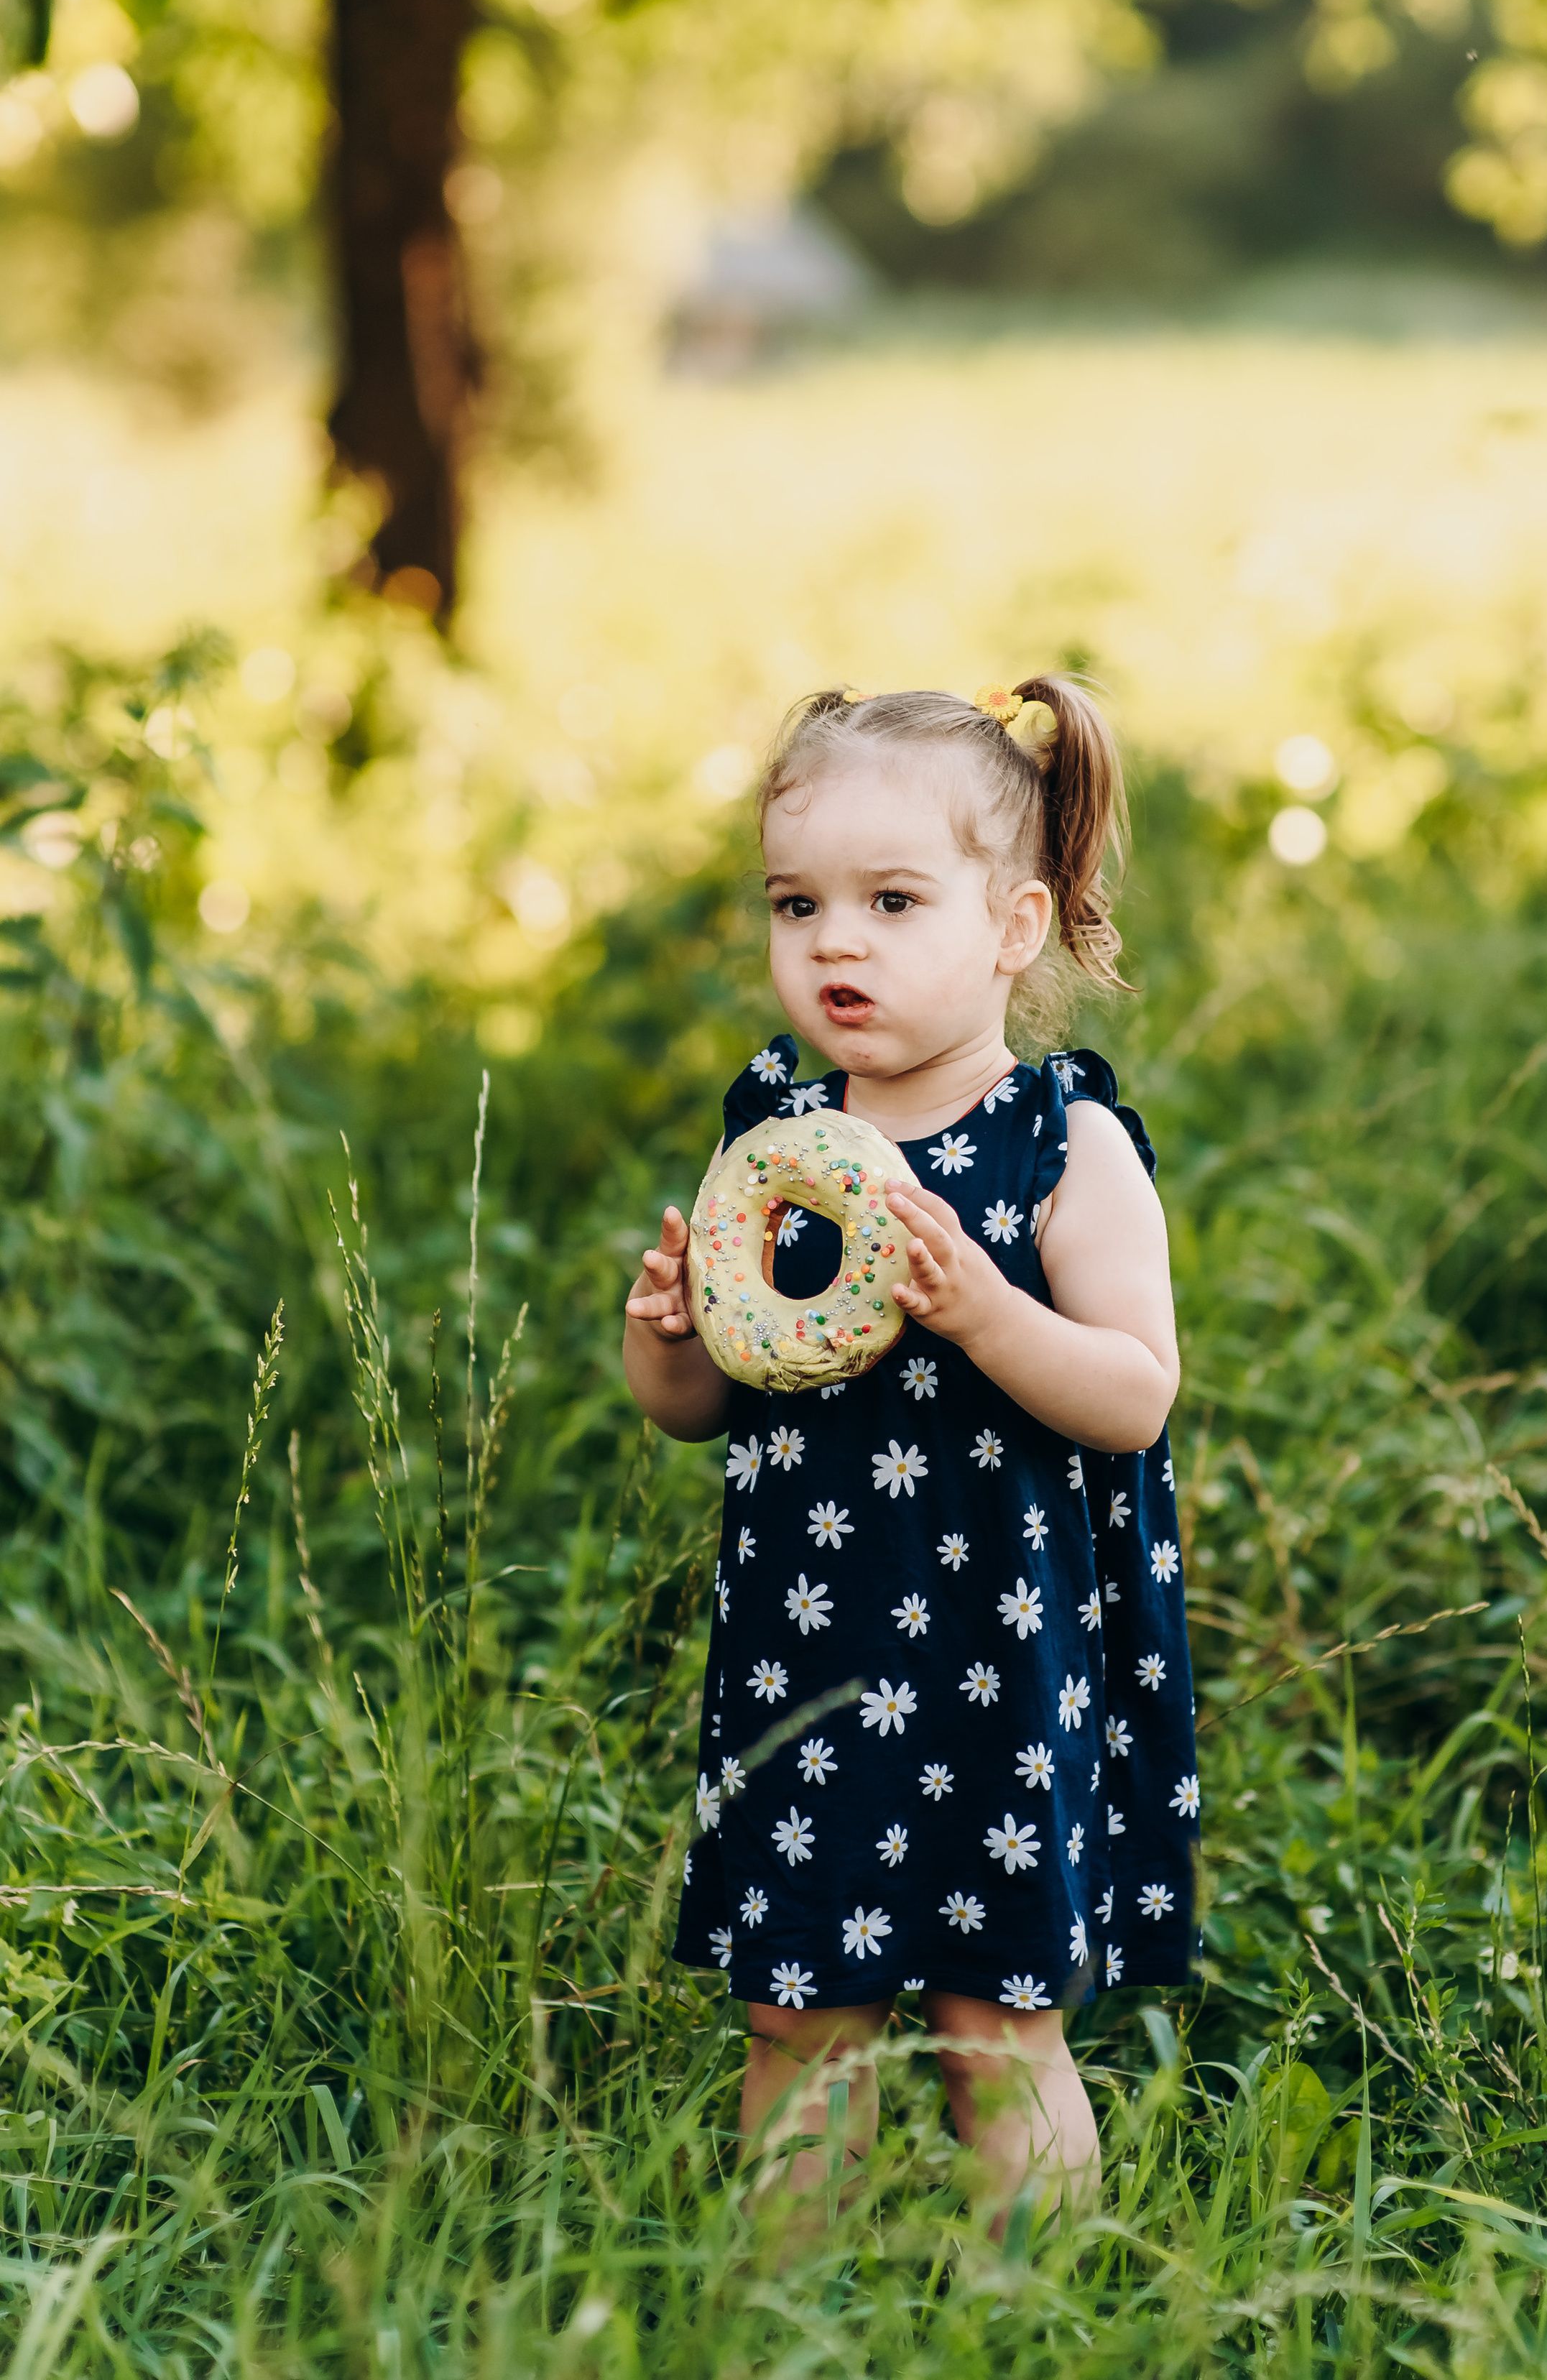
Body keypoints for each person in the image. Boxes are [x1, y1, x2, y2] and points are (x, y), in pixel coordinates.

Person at [623, 678, 1196, 2228]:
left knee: (986, 2023)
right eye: (794, 903)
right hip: (808, 1654)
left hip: (993, 1663)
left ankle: (1042, 2315)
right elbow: (702, 1406)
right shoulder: (773, 1134)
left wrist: (980, 1306)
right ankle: (778, 2303)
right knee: (795, 2012)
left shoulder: (1058, 1144)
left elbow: (1132, 1392)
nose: (834, 944)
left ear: (1011, 928)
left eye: (890, 900)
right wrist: (671, 1334)